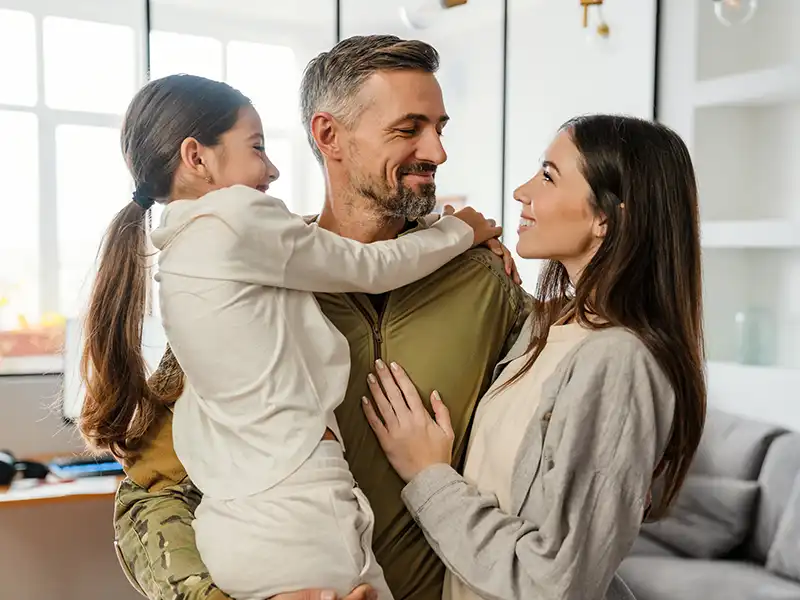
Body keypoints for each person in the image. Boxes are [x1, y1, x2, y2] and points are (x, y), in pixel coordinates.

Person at [107, 35, 531, 600]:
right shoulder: (239, 287)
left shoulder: (484, 282)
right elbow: (150, 495)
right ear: (328, 135)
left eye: (440, 128)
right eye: (408, 129)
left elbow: (564, 447)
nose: (437, 152)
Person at [362, 114, 707, 600]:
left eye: (548, 176)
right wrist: (460, 250)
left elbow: (557, 581)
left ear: (606, 218)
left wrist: (427, 476)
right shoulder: (547, 327)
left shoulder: (620, 361)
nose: (523, 191)